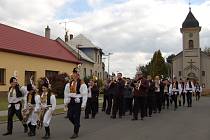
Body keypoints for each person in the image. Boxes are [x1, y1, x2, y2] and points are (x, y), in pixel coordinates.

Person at [64, 68, 88, 139]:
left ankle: (75, 132)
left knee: (77, 117)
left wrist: (83, 104)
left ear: (78, 75)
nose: (74, 75)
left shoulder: (82, 83)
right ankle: (77, 125)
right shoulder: (69, 83)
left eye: (76, 74)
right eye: (73, 73)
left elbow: (84, 94)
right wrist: (66, 102)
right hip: (71, 101)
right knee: (70, 116)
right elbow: (66, 93)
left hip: (78, 101)